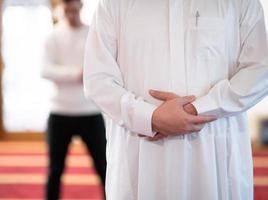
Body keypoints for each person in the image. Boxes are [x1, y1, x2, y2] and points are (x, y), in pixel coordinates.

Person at [83, 0, 268, 199]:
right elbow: (97, 80)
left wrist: (198, 109)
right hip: (140, 158)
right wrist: (150, 117)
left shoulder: (241, 3)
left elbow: (260, 70)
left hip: (214, 160)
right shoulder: (113, 4)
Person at [42, 0, 106, 199]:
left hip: (90, 112)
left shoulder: (92, 34)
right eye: (67, 9)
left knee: (103, 167)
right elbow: (45, 70)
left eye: (74, 8)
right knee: (55, 169)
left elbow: (103, 67)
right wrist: (76, 74)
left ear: (80, 6)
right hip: (60, 112)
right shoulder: (53, 36)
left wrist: (90, 75)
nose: (71, 13)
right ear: (62, 8)